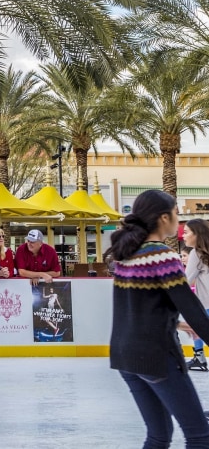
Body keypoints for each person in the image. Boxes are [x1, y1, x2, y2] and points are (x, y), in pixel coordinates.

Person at [109, 190, 209, 447]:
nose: (179, 221)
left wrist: (173, 322)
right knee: (200, 436)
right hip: (155, 356)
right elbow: (192, 307)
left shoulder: (127, 255)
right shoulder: (162, 255)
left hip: (125, 357)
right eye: (177, 213)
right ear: (164, 218)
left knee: (159, 435)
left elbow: (134, 305)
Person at [184, 219, 209, 371]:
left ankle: (199, 357)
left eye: (186, 232)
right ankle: (199, 357)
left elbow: (186, 280)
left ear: (197, 234)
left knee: (196, 327)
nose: (183, 236)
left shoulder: (197, 253)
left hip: (206, 304)